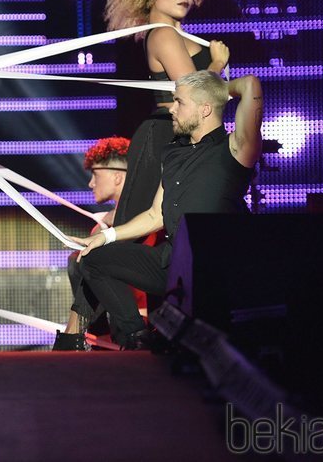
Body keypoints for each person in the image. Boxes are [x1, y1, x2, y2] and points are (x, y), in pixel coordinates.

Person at [68, 71, 263, 349]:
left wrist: (217, 90)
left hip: (211, 267)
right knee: (93, 259)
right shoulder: (173, 153)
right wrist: (106, 236)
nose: (171, 108)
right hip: (170, 263)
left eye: (179, 102)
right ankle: (137, 337)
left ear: (205, 108)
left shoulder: (235, 148)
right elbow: (154, 215)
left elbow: (251, 84)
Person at [104, 0, 230, 231]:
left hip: (182, 136)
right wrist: (217, 63)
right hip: (164, 136)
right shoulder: (163, 34)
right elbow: (195, 92)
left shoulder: (171, 29)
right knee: (141, 231)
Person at [53, 136, 129, 351]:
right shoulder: (105, 224)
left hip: (134, 323)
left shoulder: (136, 219)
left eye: (95, 175)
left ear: (117, 176)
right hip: (107, 331)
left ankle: (73, 335)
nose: (90, 183)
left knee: (91, 260)